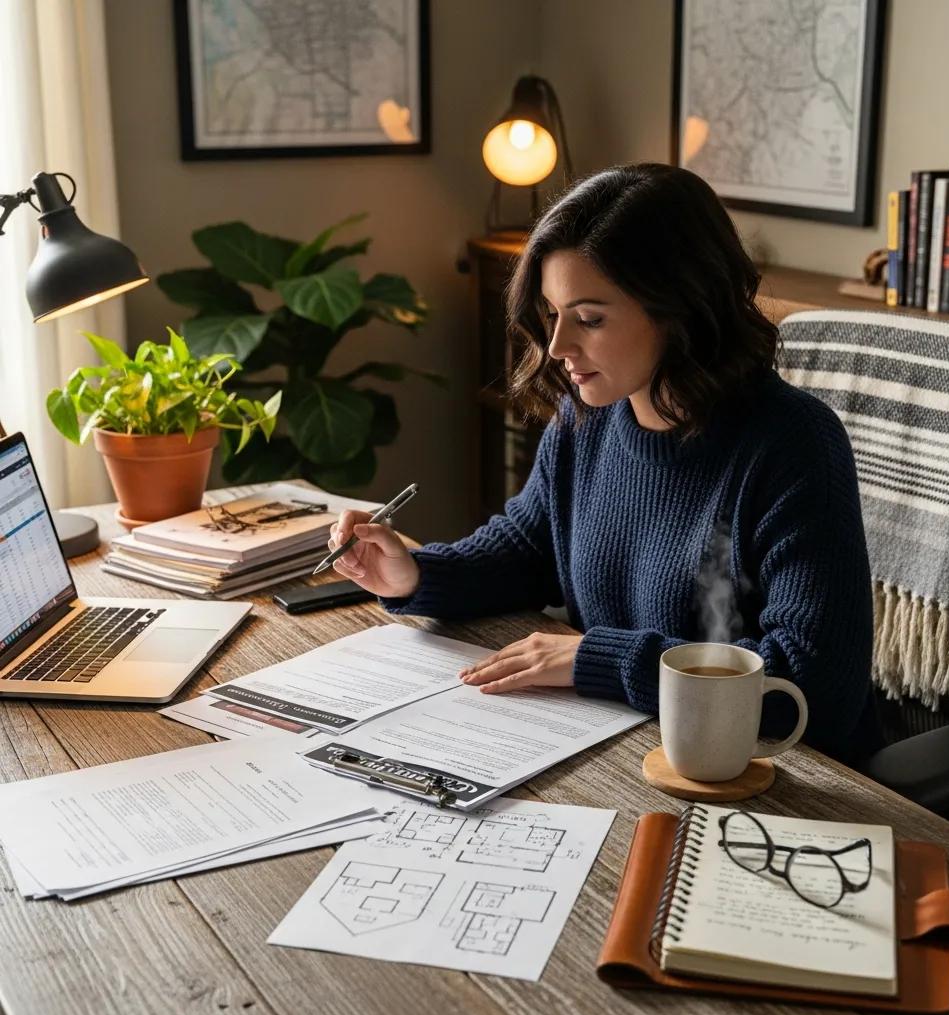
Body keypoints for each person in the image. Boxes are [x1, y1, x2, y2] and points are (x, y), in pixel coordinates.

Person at [328, 163, 881, 764]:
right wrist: (416, 575)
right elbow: (527, 548)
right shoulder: (586, 420)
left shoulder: (793, 444)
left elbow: (813, 686)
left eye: (590, 319)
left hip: (768, 775)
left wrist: (602, 658)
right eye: (552, 312)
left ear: (680, 310)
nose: (560, 347)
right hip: (620, 745)